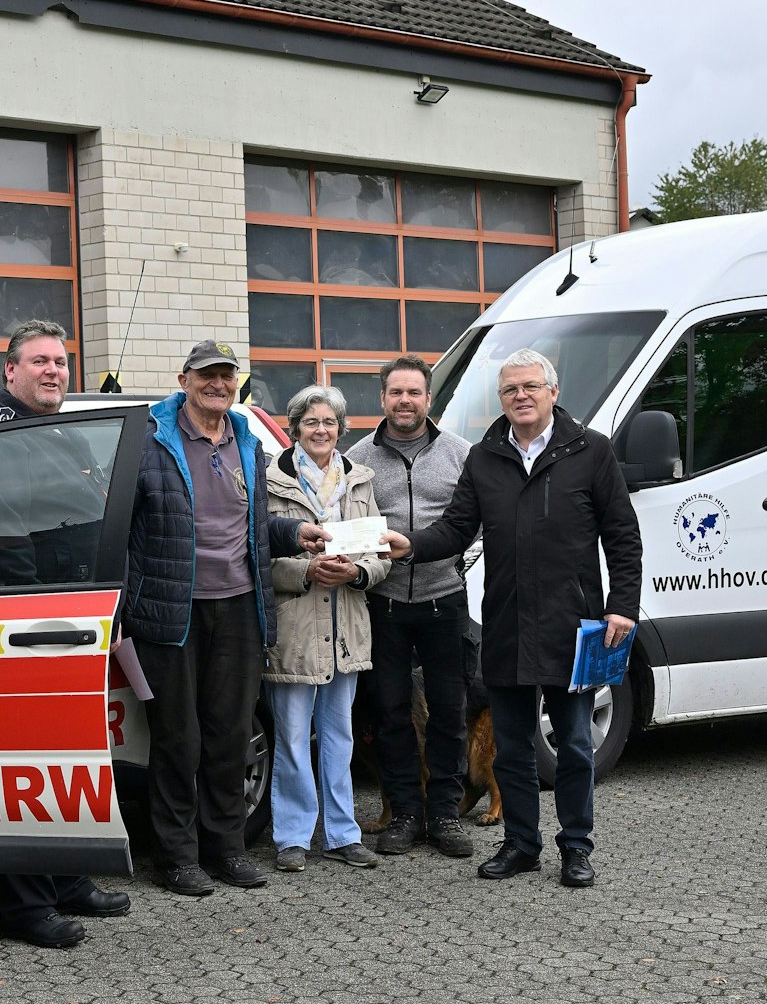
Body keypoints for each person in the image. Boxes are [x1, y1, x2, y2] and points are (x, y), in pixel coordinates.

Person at [384, 348, 641, 888]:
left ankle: (575, 847)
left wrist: (622, 607)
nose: (520, 396)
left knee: (572, 742)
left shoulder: (590, 452)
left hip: (574, 627)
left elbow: (622, 536)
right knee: (513, 747)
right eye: (509, 390)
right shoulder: (485, 457)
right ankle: (521, 843)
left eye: (529, 386)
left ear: (552, 391)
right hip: (505, 623)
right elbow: (456, 528)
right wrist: (409, 544)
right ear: (500, 399)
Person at [122, 339, 329, 897]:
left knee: (230, 736)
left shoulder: (246, 438)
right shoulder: (149, 437)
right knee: (176, 739)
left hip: (239, 605)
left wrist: (294, 534)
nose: (218, 384)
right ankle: (177, 857)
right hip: (172, 611)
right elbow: (123, 524)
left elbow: (255, 522)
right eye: (207, 375)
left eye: (226, 376)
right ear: (184, 378)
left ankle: (226, 849)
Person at [0, 320, 131, 947]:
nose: (53, 372)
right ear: (9, 371)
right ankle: (24, 909)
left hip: (76, 625)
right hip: (28, 630)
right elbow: (4, 545)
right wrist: (45, 621)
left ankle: (67, 879)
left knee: (69, 760)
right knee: (22, 769)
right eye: (39, 362)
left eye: (61, 363)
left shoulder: (61, 436)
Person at [346, 356, 477, 859]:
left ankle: (445, 813)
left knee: (449, 709)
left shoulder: (461, 454)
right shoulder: (357, 459)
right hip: (382, 603)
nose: (405, 401)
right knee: (391, 711)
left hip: (444, 598)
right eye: (396, 392)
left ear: (429, 399)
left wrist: (435, 550)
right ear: (382, 398)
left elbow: (473, 521)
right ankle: (404, 813)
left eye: (414, 393)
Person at [264, 385, 392, 872]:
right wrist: (303, 572)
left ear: (341, 429)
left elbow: (379, 556)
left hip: (346, 626)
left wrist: (358, 574)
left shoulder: (360, 480)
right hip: (295, 627)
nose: (321, 430)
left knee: (340, 735)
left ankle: (342, 834)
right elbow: (256, 558)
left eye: (330, 422)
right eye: (311, 422)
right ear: (294, 428)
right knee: (293, 737)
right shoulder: (271, 482)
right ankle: (293, 837)